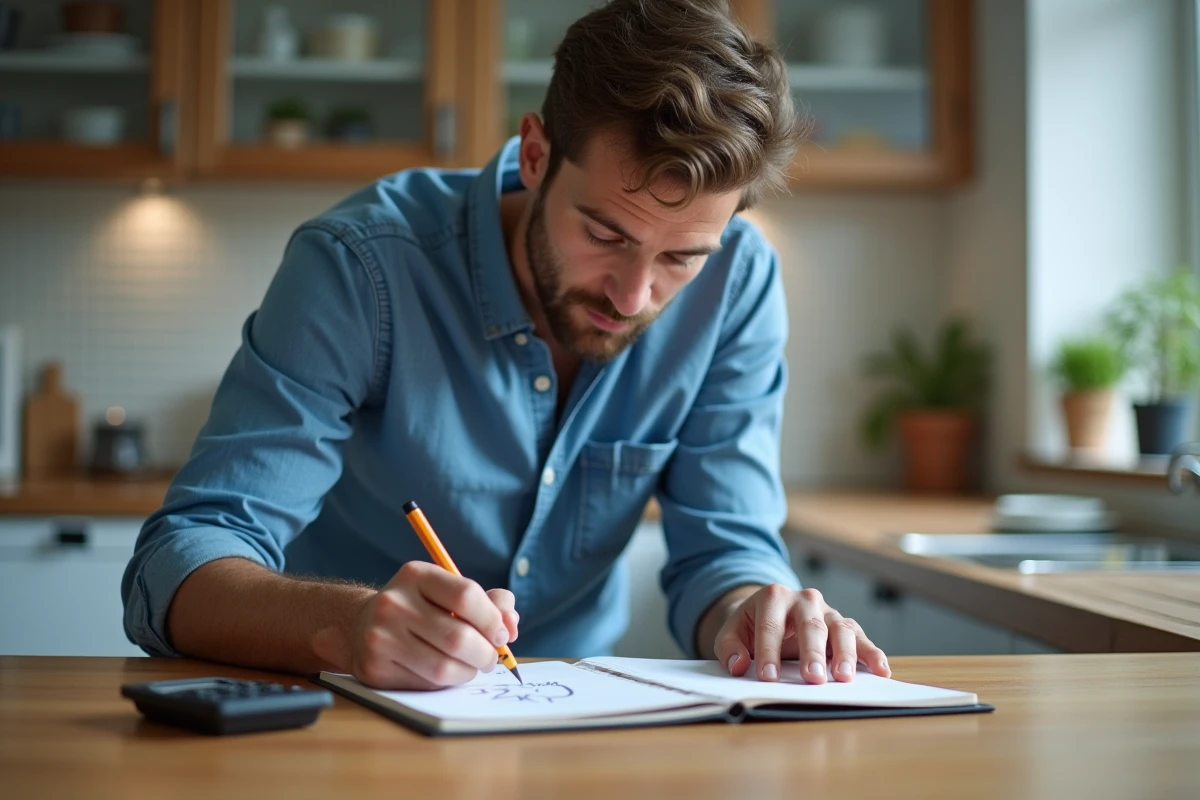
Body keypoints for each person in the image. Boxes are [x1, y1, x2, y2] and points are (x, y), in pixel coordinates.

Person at [122, 0, 891, 690]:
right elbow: (178, 562)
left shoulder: (739, 283)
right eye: (604, 233)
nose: (632, 296)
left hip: (574, 719)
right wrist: (349, 628)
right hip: (345, 710)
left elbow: (722, 548)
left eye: (680, 258)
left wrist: (755, 611)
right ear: (534, 154)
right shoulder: (362, 266)